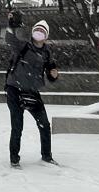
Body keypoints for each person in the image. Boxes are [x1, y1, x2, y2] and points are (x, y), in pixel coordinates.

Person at [4, 12, 60, 169]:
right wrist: (11, 25)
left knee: (44, 124)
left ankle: (47, 156)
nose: (39, 33)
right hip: (14, 89)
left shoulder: (47, 52)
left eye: (43, 31)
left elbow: (51, 71)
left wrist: (53, 74)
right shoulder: (23, 46)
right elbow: (9, 39)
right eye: (37, 30)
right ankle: (14, 159)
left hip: (32, 92)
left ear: (46, 36)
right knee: (17, 126)